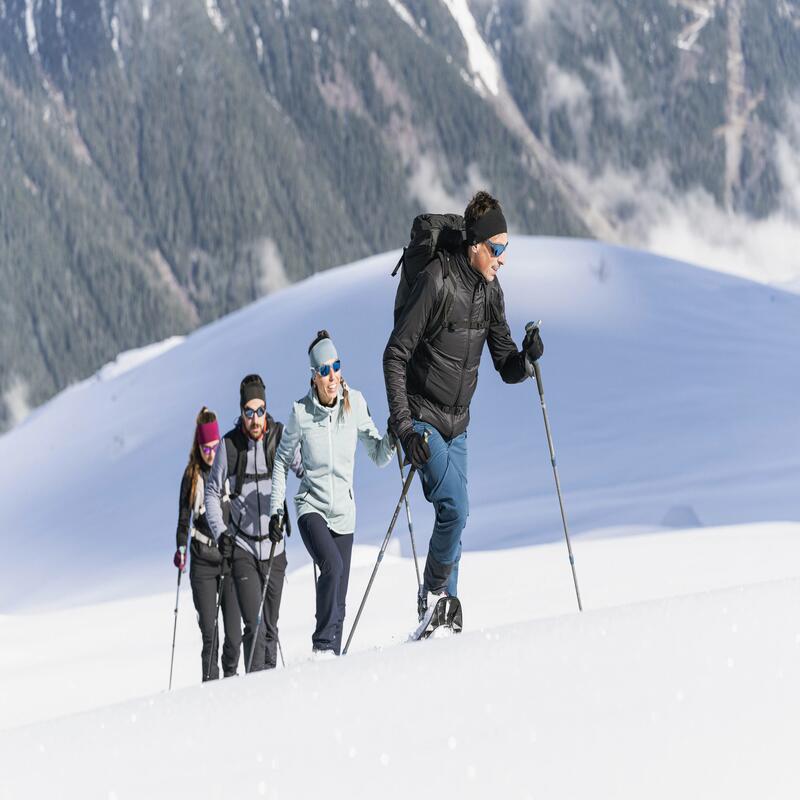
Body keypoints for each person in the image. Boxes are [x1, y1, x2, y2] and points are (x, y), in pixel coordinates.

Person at [383, 190, 544, 621]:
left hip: (459, 426)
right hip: (422, 419)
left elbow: (504, 361)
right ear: (475, 244)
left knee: (456, 520)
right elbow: (395, 354)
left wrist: (527, 360)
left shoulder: (491, 292)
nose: (502, 258)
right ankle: (434, 593)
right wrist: (404, 429)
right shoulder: (437, 281)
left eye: (506, 249)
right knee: (457, 508)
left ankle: (443, 616)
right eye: (496, 249)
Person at [270, 330, 395, 656]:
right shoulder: (300, 413)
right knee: (333, 567)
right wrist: (276, 509)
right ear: (314, 377)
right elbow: (282, 462)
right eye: (324, 370)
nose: (332, 376)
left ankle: (331, 667)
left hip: (344, 514)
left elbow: (379, 456)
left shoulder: (355, 405)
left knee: (338, 603)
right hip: (311, 508)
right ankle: (322, 648)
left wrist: (395, 435)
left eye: (336, 366)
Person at [205, 375, 301, 672]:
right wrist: (220, 533)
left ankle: (271, 690)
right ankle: (257, 691)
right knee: (255, 625)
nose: (256, 419)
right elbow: (211, 492)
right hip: (243, 548)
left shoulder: (279, 438)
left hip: (275, 547)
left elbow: (304, 470)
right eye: (249, 412)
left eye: (260, 411)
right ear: (242, 412)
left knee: (271, 627)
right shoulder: (229, 446)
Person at [174, 407, 242, 681]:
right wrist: (180, 550)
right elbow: (183, 518)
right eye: (206, 448)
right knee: (210, 633)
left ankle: (230, 678)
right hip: (202, 560)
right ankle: (211, 688)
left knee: (234, 635)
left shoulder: (227, 470)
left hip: (228, 558)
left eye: (215, 447)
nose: (211, 453)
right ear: (198, 447)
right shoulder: (192, 477)